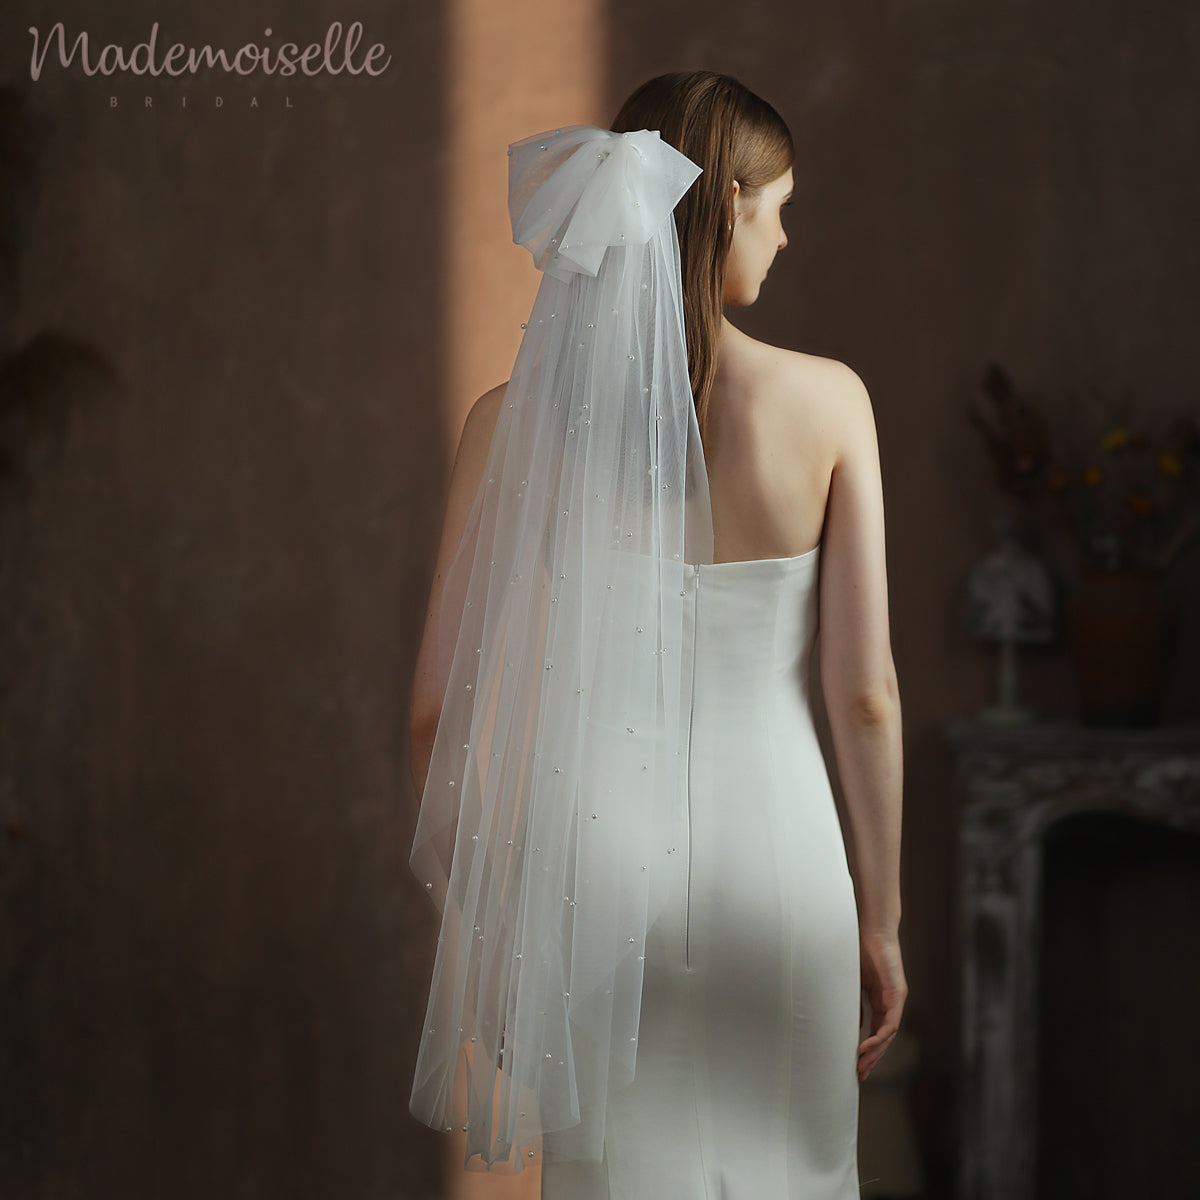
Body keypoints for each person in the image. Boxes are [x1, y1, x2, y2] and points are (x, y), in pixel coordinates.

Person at [408, 71, 905, 1199]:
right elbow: (865, 693)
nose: (785, 238)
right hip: (780, 864)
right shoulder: (831, 402)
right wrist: (881, 921)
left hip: (597, 876)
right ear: (727, 201)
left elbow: (438, 714)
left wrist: (495, 925)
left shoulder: (509, 422)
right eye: (778, 207)